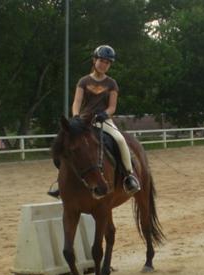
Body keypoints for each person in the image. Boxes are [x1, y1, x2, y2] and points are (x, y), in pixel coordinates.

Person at [48, 44, 140, 198]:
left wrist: (105, 113)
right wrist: (76, 116)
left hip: (103, 120)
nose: (104, 64)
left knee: (120, 140)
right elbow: (76, 102)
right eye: (101, 61)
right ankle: (61, 181)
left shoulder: (112, 84)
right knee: (62, 144)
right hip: (84, 122)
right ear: (94, 60)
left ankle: (128, 176)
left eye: (107, 62)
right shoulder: (83, 81)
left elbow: (112, 107)